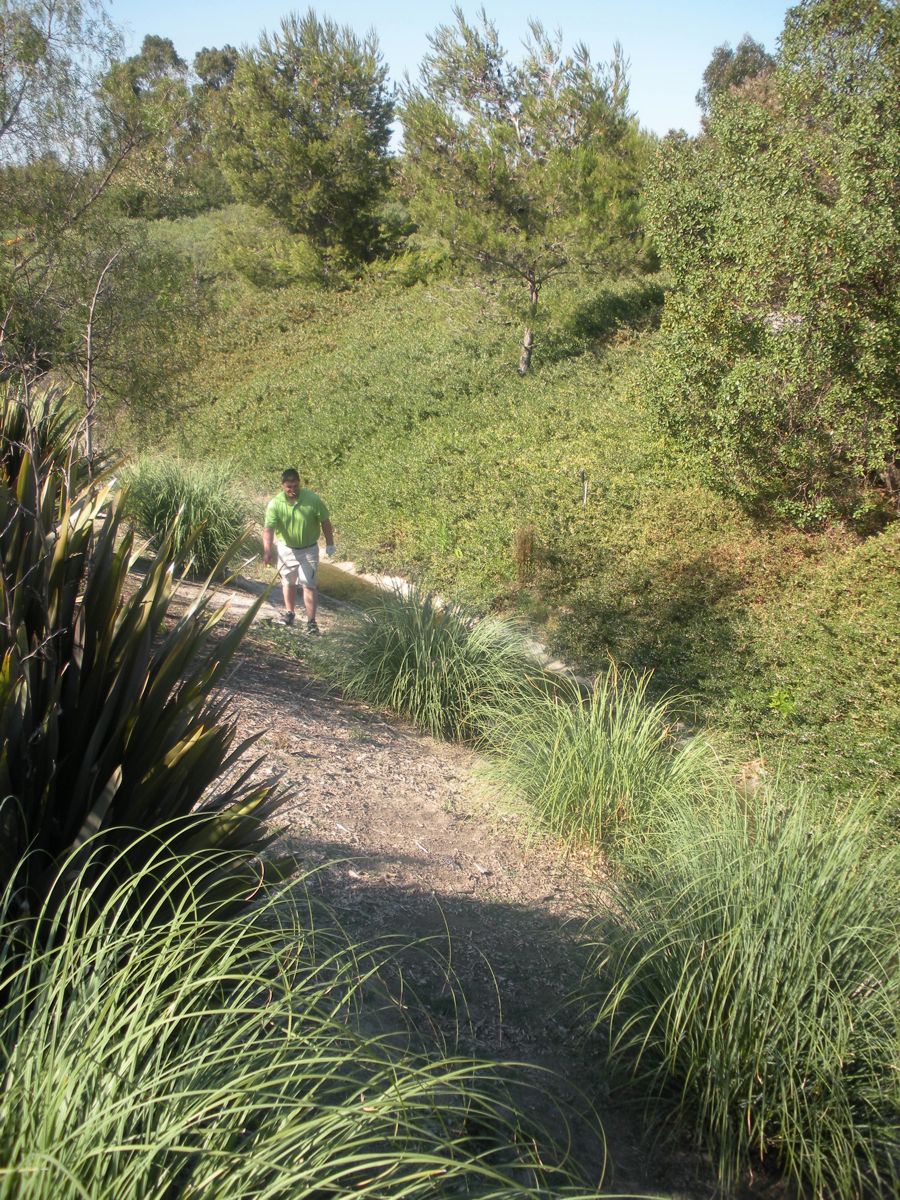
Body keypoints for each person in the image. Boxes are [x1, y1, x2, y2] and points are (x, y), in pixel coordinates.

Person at [262, 468, 335, 633]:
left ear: (299, 483)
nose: (292, 490)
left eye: (295, 486)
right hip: (286, 548)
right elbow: (268, 529)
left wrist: (330, 543)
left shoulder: (312, 499)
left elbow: (325, 521)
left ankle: (311, 622)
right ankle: (289, 613)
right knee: (288, 582)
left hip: (309, 549)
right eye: (289, 486)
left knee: (308, 584)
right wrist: (267, 550)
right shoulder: (275, 504)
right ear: (282, 485)